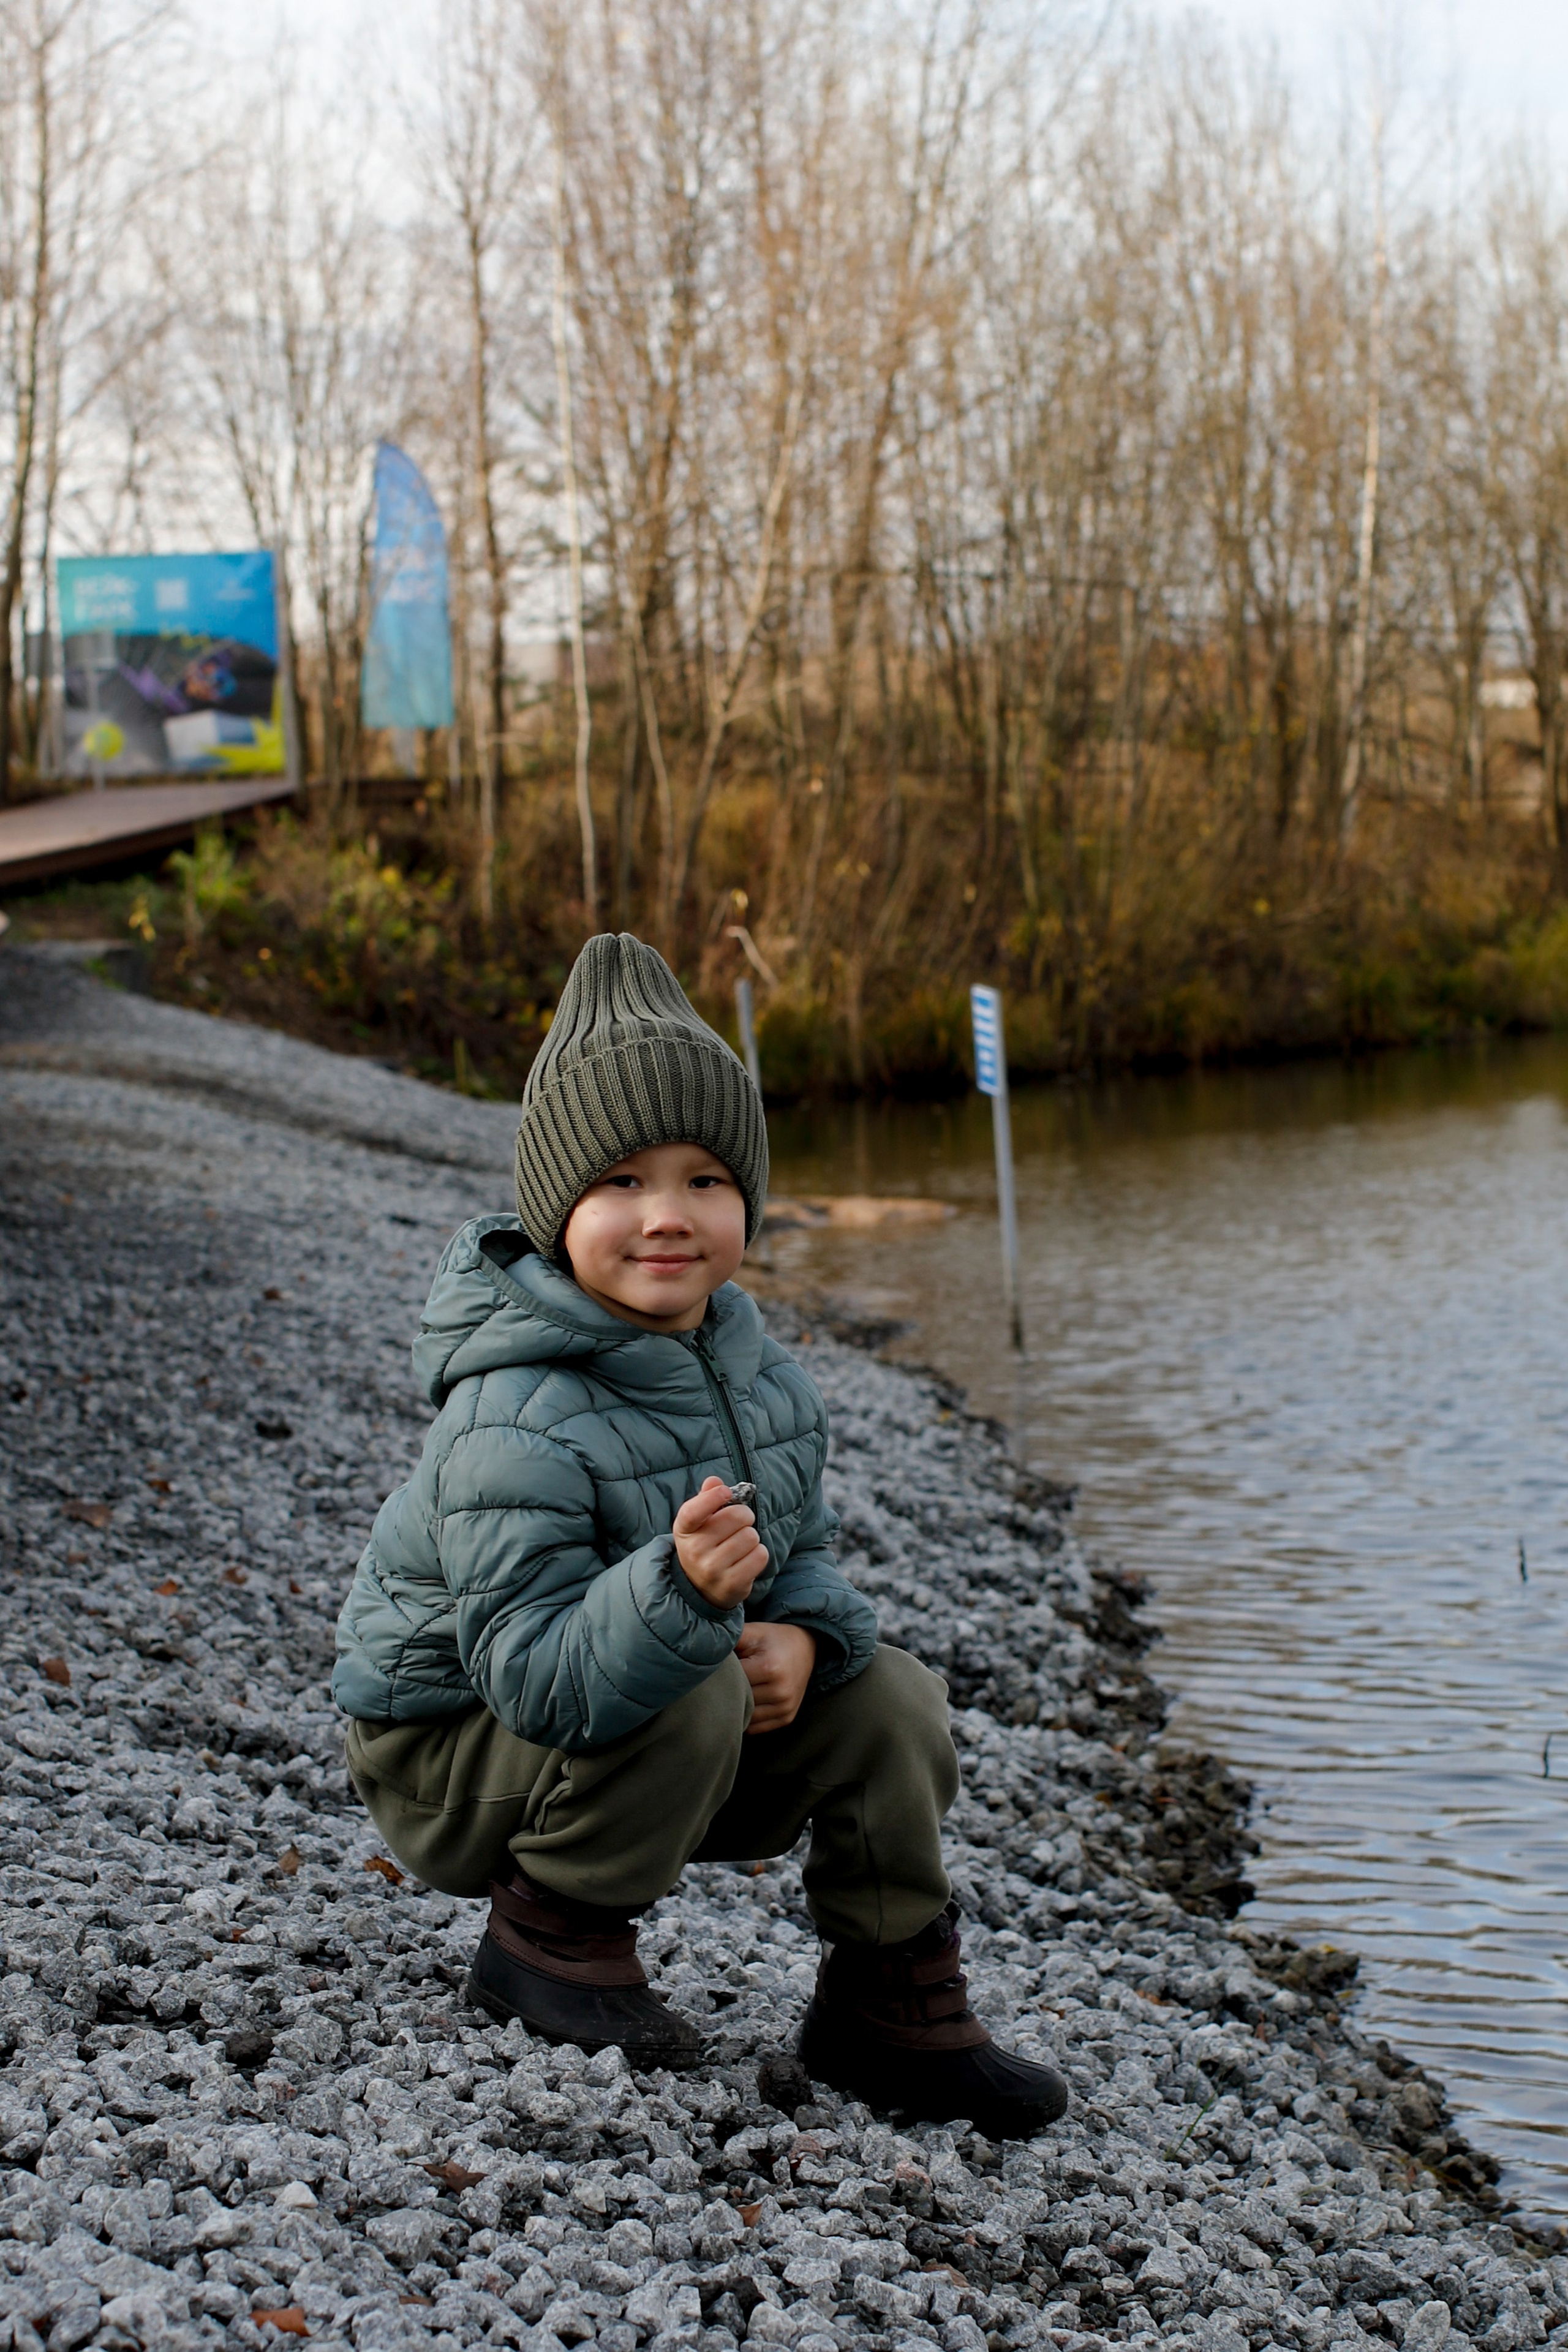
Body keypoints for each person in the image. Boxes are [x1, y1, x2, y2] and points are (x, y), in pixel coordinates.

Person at [333, 932, 1066, 2136]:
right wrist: (681, 1603)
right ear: (556, 1206)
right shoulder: (511, 1411)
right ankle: (551, 1947)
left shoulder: (753, 1373)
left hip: (641, 1722)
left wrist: (803, 1643)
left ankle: (890, 2003)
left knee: (888, 1697)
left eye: (705, 1181)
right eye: (620, 1181)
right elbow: (524, 1674)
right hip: (456, 1755)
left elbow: (809, 1567)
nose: (666, 1216)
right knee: (692, 1685)